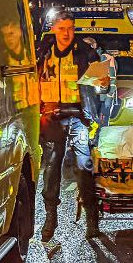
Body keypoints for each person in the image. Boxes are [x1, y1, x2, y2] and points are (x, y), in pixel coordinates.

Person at [38, 12, 107, 241]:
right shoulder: (43, 53)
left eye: (70, 28)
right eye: (61, 28)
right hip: (52, 116)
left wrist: (104, 85)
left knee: (83, 167)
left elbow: (102, 87)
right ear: (53, 29)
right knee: (51, 169)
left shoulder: (86, 53)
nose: (66, 33)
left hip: (79, 116)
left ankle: (91, 218)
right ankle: (50, 219)